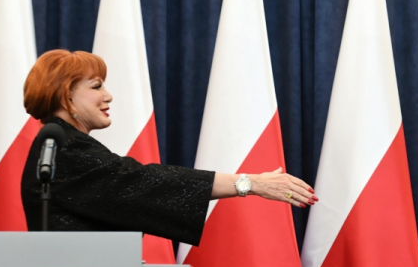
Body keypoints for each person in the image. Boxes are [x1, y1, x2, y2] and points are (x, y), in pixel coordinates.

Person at [21, 49, 316, 245]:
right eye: (97, 86)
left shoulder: (65, 143)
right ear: (65, 97)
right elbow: (141, 182)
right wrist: (248, 183)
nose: (108, 96)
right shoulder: (61, 146)